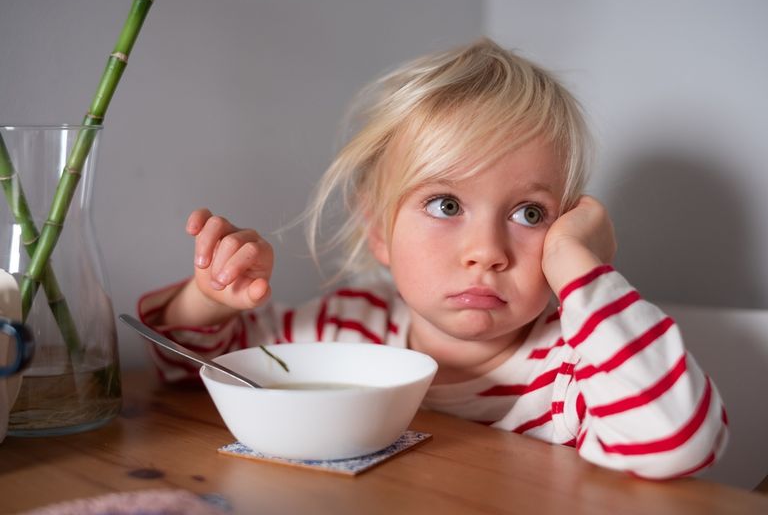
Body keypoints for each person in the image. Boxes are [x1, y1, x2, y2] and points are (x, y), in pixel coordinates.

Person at [138, 38, 728, 479]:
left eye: (530, 214)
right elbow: (188, 370)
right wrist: (210, 298)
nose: (487, 253)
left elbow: (677, 441)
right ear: (378, 230)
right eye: (446, 204)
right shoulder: (347, 331)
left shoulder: (574, 370)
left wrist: (581, 268)